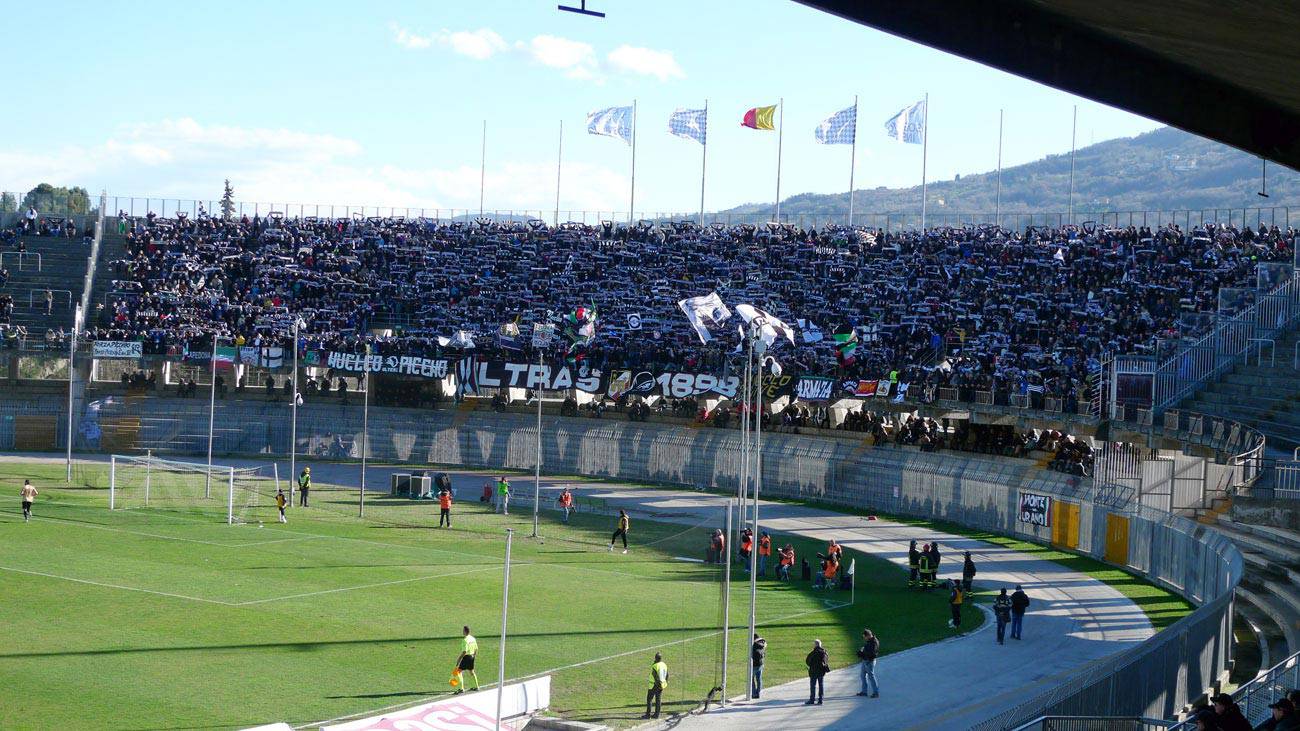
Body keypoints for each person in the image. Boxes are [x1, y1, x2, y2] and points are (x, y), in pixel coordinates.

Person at [454, 626, 479, 694]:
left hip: (466, 657)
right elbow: (476, 649)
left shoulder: (465, 640)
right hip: (472, 656)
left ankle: (462, 689)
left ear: (465, 631)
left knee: (459, 671)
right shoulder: (473, 639)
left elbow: (464, 651)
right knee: (472, 672)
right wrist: (474, 656)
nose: (462, 631)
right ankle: (477, 687)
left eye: (463, 630)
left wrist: (459, 659)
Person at [643, 652, 668, 719]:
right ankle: (657, 715)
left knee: (649, 699)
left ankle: (648, 715)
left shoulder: (655, 666)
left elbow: (655, 676)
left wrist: (657, 684)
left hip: (654, 685)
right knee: (658, 699)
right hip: (662, 684)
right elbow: (667, 675)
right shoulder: (664, 664)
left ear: (655, 658)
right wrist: (665, 682)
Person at [804, 639, 829, 706]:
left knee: (813, 686)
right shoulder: (824, 652)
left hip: (813, 671)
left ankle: (812, 699)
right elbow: (826, 661)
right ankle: (820, 700)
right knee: (821, 685)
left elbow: (807, 661)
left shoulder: (812, 653)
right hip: (821, 671)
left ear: (815, 645)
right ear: (820, 645)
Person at [857, 629, 880, 698]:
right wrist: (861, 653)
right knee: (862, 675)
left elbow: (871, 654)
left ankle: (876, 692)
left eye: (865, 637)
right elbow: (866, 651)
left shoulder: (874, 642)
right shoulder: (869, 641)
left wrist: (862, 654)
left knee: (871, 676)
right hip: (865, 661)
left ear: (869, 635)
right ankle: (864, 691)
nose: (864, 638)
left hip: (869, 662)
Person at [750, 633, 766, 699]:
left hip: (754, 665)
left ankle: (754, 694)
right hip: (761, 664)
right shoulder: (763, 643)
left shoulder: (754, 645)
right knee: (759, 679)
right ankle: (758, 693)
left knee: (751, 679)